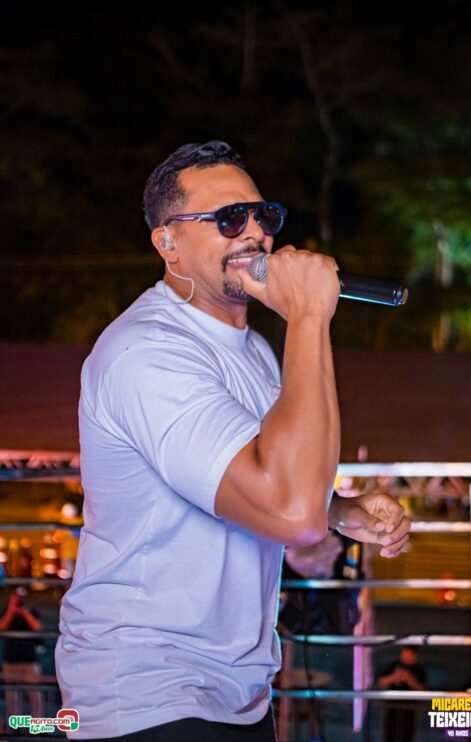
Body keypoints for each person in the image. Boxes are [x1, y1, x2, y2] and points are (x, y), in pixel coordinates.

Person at [55, 140, 410, 741]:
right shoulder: (146, 352)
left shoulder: (255, 352)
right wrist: (309, 317)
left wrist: (339, 511)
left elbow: (256, 480)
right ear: (168, 243)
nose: (254, 232)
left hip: (238, 692)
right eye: (227, 218)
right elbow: (289, 513)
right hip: (148, 690)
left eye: (263, 215)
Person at [0, 588, 43, 720]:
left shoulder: (32, 610)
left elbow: (37, 627)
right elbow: (2, 627)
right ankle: (14, 725)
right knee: (11, 697)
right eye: (17, 597)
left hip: (29, 660)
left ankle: (36, 723)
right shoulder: (7, 611)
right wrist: (11, 611)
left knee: (34, 696)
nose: (19, 600)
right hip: (11, 661)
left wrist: (25, 613)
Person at [377, 646, 426, 742]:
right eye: (404, 653)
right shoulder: (393, 666)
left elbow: (422, 690)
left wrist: (409, 679)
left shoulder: (418, 670)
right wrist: (394, 678)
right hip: (391, 706)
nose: (405, 656)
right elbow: (381, 683)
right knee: (390, 732)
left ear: (415, 656)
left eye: (409, 654)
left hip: (410, 707)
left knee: (407, 733)